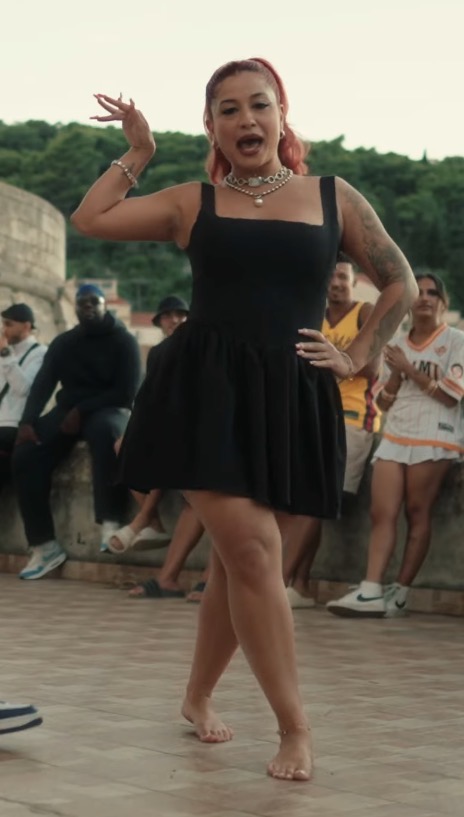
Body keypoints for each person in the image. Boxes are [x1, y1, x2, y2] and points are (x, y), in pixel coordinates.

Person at [71, 58, 417, 781]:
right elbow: (91, 217)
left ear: (281, 112)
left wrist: (356, 355)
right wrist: (139, 152)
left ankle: (197, 694)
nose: (245, 120)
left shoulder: (333, 197)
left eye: (258, 105)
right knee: (256, 552)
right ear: (211, 126)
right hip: (205, 391)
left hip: (290, 392)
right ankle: (295, 728)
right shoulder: (192, 204)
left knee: (238, 565)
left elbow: (401, 283)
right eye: (227, 110)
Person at [328, 274, 464, 618]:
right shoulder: (397, 344)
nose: (425, 298)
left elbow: (451, 396)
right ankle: (371, 588)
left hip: (435, 435)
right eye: (420, 292)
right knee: (381, 512)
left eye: (433, 293)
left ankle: (401, 592)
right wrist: (398, 376)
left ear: (443, 303)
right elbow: (383, 402)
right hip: (396, 434)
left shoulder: (456, 341)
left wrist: (409, 370)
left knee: (417, 511)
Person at [12, 284, 141, 580]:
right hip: (69, 409)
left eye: (95, 302)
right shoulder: (64, 343)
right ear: (75, 308)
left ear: (105, 305)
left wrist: (83, 409)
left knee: (105, 433)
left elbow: (127, 393)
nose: (89, 308)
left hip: (109, 407)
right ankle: (44, 545)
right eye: (83, 303)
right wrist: (27, 422)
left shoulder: (124, 341)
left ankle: (110, 521)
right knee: (26, 455)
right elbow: (43, 384)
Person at [282, 255, 381, 608]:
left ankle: (278, 582)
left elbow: (372, 368)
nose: (337, 283)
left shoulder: (364, 312)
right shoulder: (313, 316)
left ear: (353, 281)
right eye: (331, 277)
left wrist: (331, 354)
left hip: (353, 417)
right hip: (313, 414)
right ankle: (300, 585)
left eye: (343, 277)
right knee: (304, 501)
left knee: (313, 502)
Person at [107, 293, 189, 552]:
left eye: (180, 315)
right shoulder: (157, 353)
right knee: (122, 446)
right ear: (160, 322)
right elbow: (150, 397)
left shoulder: (195, 349)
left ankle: (142, 520)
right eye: (168, 316)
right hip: (165, 422)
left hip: (188, 424)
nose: (174, 320)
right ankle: (153, 523)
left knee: (163, 445)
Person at [0, 304, 47, 493]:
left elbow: (24, 389)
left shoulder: (40, 353)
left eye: (9, 324)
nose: (4, 329)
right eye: (3, 324)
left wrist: (5, 354)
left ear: (26, 326)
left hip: (14, 425)